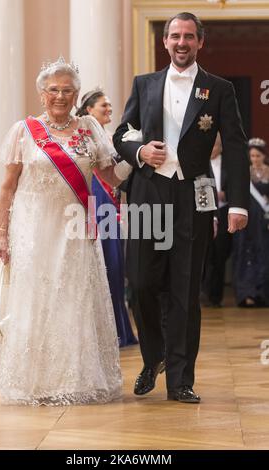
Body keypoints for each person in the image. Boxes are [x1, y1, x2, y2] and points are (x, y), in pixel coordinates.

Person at [113, 12, 250, 403]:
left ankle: (180, 380)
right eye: (175, 36)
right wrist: (139, 150)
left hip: (194, 196)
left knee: (185, 291)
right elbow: (121, 132)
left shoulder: (219, 89)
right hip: (146, 195)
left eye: (189, 36)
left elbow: (237, 147)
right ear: (166, 42)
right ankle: (153, 357)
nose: (181, 42)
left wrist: (238, 203)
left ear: (200, 42)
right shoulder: (145, 84)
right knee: (140, 283)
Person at [0, 57, 130, 406]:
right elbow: (7, 188)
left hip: (75, 230)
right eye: (53, 89)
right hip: (35, 231)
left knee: (74, 300)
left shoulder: (89, 128)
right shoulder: (23, 131)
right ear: (42, 94)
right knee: (38, 300)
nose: (60, 96)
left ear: (76, 94)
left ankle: (77, 378)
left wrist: (138, 155)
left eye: (67, 90)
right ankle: (36, 382)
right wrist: (2, 235)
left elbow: (110, 177)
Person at [76, 89, 138, 347]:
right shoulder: (85, 135)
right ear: (89, 109)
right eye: (104, 105)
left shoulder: (111, 137)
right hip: (96, 203)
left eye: (111, 105)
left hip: (111, 204)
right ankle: (101, 333)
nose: (109, 109)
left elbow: (118, 175)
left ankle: (119, 330)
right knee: (102, 264)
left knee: (115, 266)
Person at [233, 138, 269, 307]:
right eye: (252, 155)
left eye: (258, 155)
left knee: (263, 254)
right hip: (248, 221)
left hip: (264, 222)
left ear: (264, 156)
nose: (255, 159)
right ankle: (246, 294)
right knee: (246, 254)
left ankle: (262, 294)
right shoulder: (245, 172)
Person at [201, 133, 232, 308]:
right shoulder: (199, 162)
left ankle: (216, 296)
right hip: (206, 211)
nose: (212, 149)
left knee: (220, 256)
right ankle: (203, 292)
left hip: (225, 212)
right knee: (204, 255)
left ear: (220, 147)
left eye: (215, 146)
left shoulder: (228, 164)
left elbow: (236, 186)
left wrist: (224, 195)